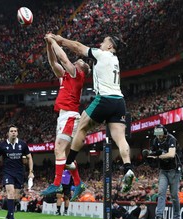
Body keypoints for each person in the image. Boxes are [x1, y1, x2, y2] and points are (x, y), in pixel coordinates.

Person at [48, 33, 135, 195]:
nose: (101, 43)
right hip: (120, 102)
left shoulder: (101, 54)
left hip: (104, 99)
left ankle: (69, 160)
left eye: (104, 41)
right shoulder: (115, 61)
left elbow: (78, 47)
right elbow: (55, 62)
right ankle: (128, 168)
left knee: (82, 126)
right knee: (120, 138)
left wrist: (60, 40)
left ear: (110, 46)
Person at [40, 34, 90, 201]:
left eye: (81, 62)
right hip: (63, 116)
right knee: (67, 158)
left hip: (69, 116)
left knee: (58, 150)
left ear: (83, 69)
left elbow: (63, 58)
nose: (77, 61)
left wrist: (54, 40)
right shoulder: (66, 76)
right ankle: (78, 183)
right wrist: (49, 45)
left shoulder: (78, 75)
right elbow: (54, 62)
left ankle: (57, 183)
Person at [0, 125, 34, 219]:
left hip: (19, 173)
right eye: (11, 131)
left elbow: (30, 158)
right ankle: (12, 218)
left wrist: (31, 171)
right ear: (8, 133)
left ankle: (8, 215)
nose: (13, 132)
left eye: (15, 131)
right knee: (10, 192)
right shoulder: (2, 145)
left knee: (16, 197)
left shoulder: (22, 144)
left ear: (17, 133)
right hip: (7, 173)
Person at [144, 124, 183, 219]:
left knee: (174, 195)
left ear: (164, 132)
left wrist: (157, 157)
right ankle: (159, 216)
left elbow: (171, 154)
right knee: (161, 193)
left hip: (174, 170)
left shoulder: (171, 139)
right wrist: (148, 154)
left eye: (160, 134)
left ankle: (177, 218)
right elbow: (152, 152)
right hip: (163, 170)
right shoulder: (155, 140)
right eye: (157, 134)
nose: (158, 136)